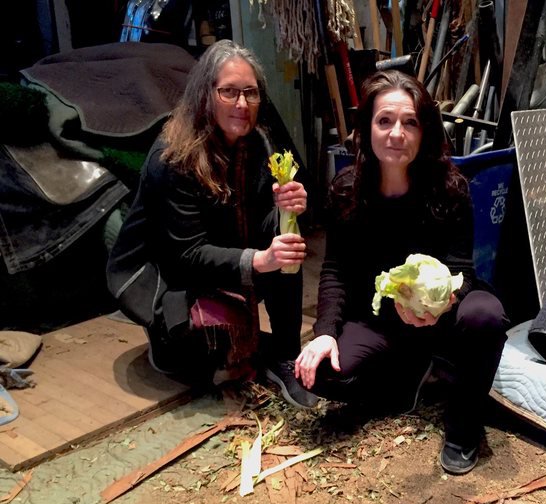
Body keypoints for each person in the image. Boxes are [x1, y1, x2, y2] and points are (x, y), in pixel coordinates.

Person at [294, 70, 509, 474]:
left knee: (485, 314)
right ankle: (416, 376)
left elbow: (463, 269)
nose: (397, 133)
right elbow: (335, 269)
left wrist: (444, 305)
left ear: (425, 131)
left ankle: (463, 424)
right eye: (384, 121)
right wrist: (324, 331)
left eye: (410, 122)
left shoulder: (450, 188)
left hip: (438, 320)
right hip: (378, 322)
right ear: (367, 130)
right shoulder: (345, 189)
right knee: (316, 372)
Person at [106, 40, 319, 409]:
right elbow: (185, 254)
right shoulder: (173, 157)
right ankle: (170, 344)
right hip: (170, 274)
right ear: (206, 94)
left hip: (221, 252)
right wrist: (258, 261)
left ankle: (284, 353)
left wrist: (289, 210)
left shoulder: (259, 143)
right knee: (206, 359)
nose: (241, 104)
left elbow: (262, 224)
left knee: (288, 243)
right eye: (229, 92)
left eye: (250, 93)